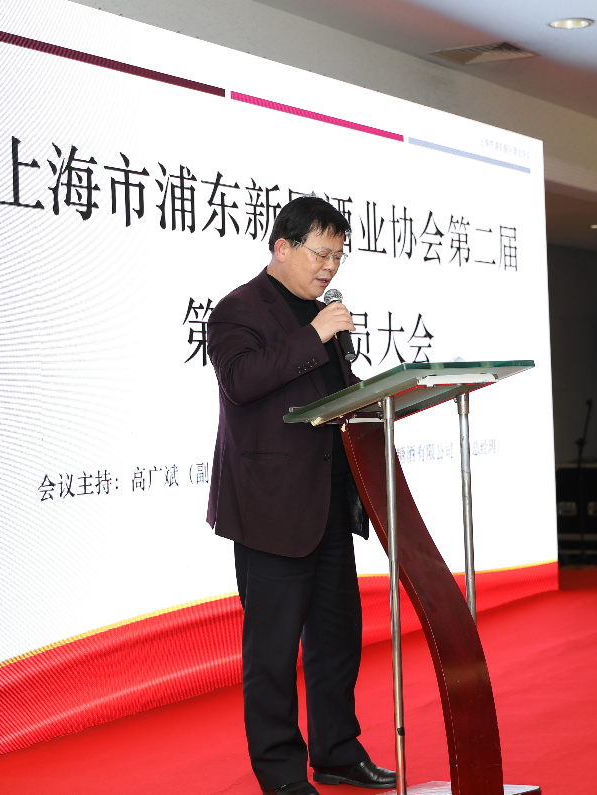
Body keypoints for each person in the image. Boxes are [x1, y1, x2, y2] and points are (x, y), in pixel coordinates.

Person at [206, 197, 395, 795]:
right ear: (282, 248)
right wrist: (316, 333)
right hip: (270, 509)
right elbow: (242, 382)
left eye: (339, 256)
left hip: (329, 504)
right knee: (273, 652)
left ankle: (337, 752)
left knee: (336, 640)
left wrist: (381, 394)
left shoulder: (322, 315)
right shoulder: (237, 310)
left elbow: (334, 396)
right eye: (322, 253)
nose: (330, 267)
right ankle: (282, 775)